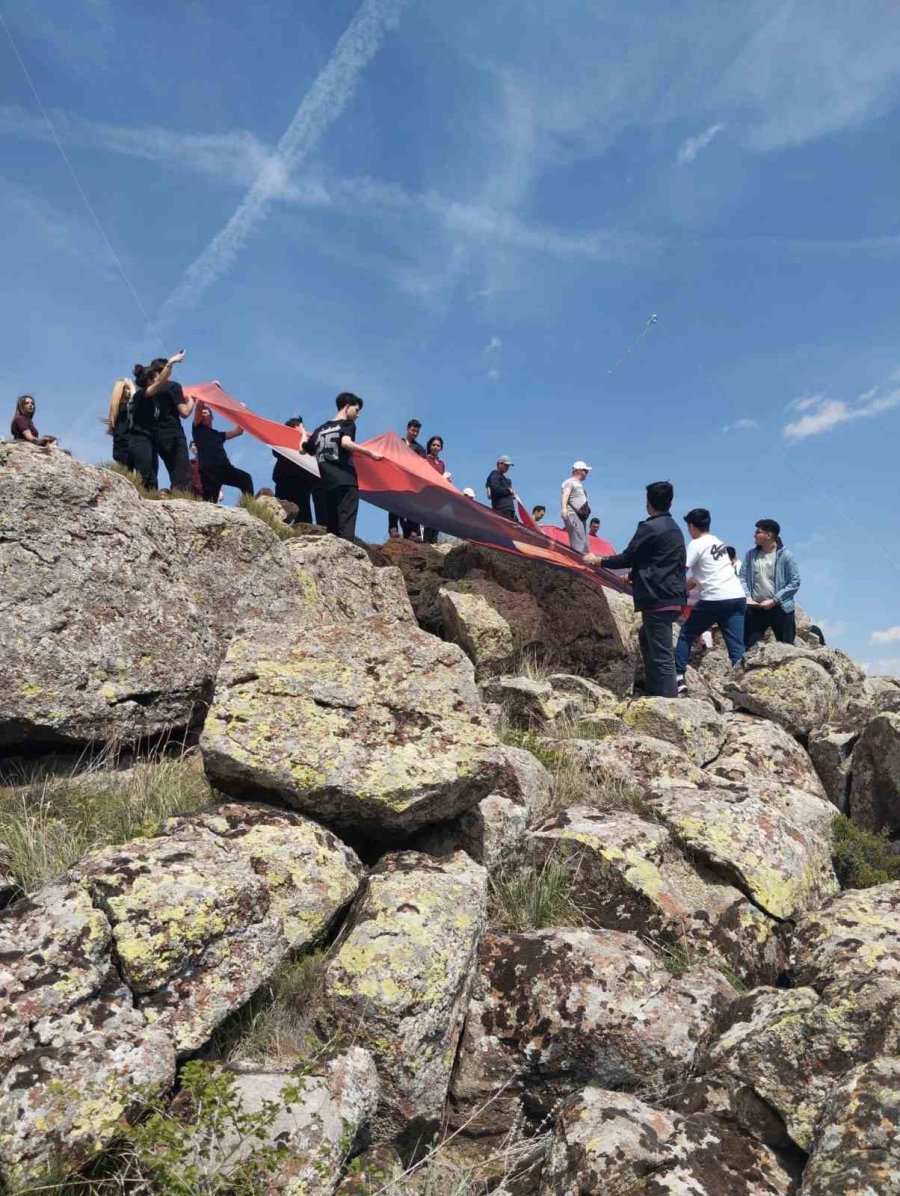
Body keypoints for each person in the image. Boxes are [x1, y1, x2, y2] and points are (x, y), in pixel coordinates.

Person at [586, 481, 686, 698]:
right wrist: (632, 576)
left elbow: (628, 557)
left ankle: (669, 704)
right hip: (672, 596)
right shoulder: (674, 528)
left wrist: (597, 560)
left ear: (648, 503)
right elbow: (660, 561)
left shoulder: (650, 527)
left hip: (657, 598)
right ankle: (654, 693)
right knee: (647, 639)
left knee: (661, 654)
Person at [674, 508, 747, 694]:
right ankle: (744, 687)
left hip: (715, 598)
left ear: (691, 526)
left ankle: (678, 677)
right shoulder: (718, 542)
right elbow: (699, 577)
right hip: (737, 597)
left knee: (686, 633)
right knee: (736, 646)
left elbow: (680, 569)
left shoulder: (696, 544)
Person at [303, 393, 382, 541]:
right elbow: (346, 443)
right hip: (346, 481)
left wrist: (302, 431)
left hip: (327, 483)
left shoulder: (319, 430)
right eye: (356, 410)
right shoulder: (348, 425)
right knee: (346, 524)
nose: (358, 415)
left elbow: (304, 449)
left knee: (332, 526)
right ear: (347, 407)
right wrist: (370, 453)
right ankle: (346, 558)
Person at [130, 351, 192, 491]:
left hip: (156, 439)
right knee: (181, 475)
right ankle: (182, 500)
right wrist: (192, 402)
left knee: (153, 476)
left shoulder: (147, 394)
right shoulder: (171, 386)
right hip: (173, 434)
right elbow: (185, 412)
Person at [741, 519, 801, 648]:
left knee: (786, 648)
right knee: (749, 647)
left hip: (780, 607)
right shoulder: (750, 555)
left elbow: (794, 582)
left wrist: (774, 600)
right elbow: (743, 578)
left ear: (768, 535)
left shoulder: (786, 556)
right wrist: (748, 597)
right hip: (755, 607)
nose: (754, 535)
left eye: (758, 532)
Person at [192, 403, 253, 501]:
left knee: (246, 479)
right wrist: (207, 393)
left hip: (224, 468)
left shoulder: (218, 435)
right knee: (209, 503)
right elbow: (199, 405)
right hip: (208, 471)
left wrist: (242, 411)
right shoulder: (197, 429)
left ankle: (249, 506)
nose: (202, 412)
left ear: (212, 417)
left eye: (206, 410)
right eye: (201, 411)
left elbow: (238, 431)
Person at [272, 416, 324, 525]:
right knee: (281, 514)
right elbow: (275, 451)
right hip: (286, 481)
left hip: (302, 485)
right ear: (296, 427)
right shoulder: (283, 441)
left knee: (303, 519)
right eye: (302, 427)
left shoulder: (306, 443)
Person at [388, 419, 427, 540]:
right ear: (407, 429)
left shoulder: (419, 448)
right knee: (394, 503)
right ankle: (393, 529)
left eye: (417, 431)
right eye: (413, 430)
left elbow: (421, 465)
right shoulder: (397, 442)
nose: (415, 433)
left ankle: (413, 531)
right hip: (395, 478)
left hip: (410, 481)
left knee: (411, 505)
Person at [423, 435, 450, 544]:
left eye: (438, 445)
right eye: (434, 445)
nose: (435, 447)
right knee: (429, 517)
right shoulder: (425, 460)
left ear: (441, 448)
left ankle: (434, 541)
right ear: (430, 446)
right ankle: (426, 542)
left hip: (440, 494)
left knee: (438, 518)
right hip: (429, 492)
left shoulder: (442, 463)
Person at [561, 461, 592, 554]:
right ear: (579, 471)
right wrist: (564, 509)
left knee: (583, 540)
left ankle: (583, 559)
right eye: (585, 471)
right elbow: (565, 495)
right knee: (578, 541)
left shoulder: (578, 484)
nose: (587, 473)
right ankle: (579, 560)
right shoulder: (569, 482)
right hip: (573, 515)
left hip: (580, 516)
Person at [105, 379, 136, 467]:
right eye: (126, 388)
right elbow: (135, 403)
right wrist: (133, 390)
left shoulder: (116, 409)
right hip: (125, 446)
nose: (129, 391)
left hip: (120, 447)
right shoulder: (123, 408)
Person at [485, 455, 517, 520]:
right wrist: (509, 491)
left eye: (508, 466)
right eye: (506, 465)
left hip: (509, 510)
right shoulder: (494, 474)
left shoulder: (506, 480)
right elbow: (495, 489)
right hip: (502, 509)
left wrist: (512, 495)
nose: (508, 468)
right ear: (500, 464)